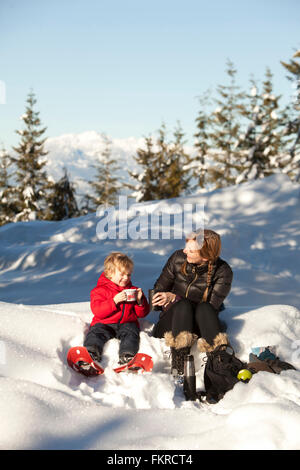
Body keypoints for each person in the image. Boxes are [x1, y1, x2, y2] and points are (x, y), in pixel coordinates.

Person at [151, 229, 233, 377]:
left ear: (206, 257)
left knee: (204, 308)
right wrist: (163, 298)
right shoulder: (178, 258)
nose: (184, 251)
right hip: (171, 325)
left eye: (191, 250)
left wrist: (176, 298)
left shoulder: (223, 271)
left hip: (201, 325)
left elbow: (210, 309)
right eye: (186, 246)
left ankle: (219, 364)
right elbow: (156, 296)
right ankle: (179, 363)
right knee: (183, 306)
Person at [84, 252, 150, 366]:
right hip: (104, 323)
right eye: (122, 274)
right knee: (96, 333)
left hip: (126, 323)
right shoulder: (100, 290)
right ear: (110, 273)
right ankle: (91, 353)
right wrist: (114, 301)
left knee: (131, 333)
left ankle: (127, 356)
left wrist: (140, 302)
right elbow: (98, 311)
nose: (126, 278)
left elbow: (143, 313)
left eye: (128, 275)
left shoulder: (133, 290)